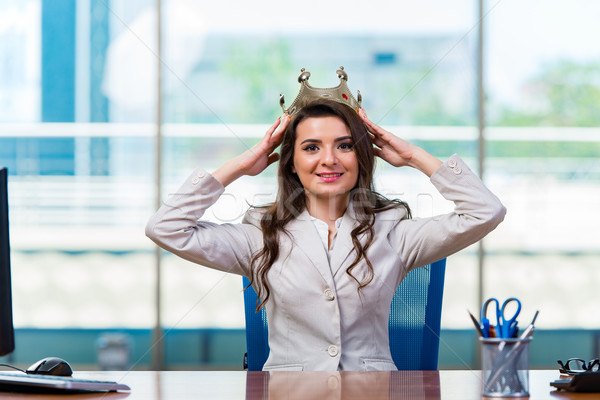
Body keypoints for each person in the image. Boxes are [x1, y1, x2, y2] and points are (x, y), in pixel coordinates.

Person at [145, 98, 506, 371]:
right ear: (290, 162)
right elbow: (166, 228)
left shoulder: (394, 232)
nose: (330, 159)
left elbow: (485, 212)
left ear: (361, 157)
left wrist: (414, 156)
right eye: (311, 147)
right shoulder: (260, 235)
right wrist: (239, 166)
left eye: (345, 145)